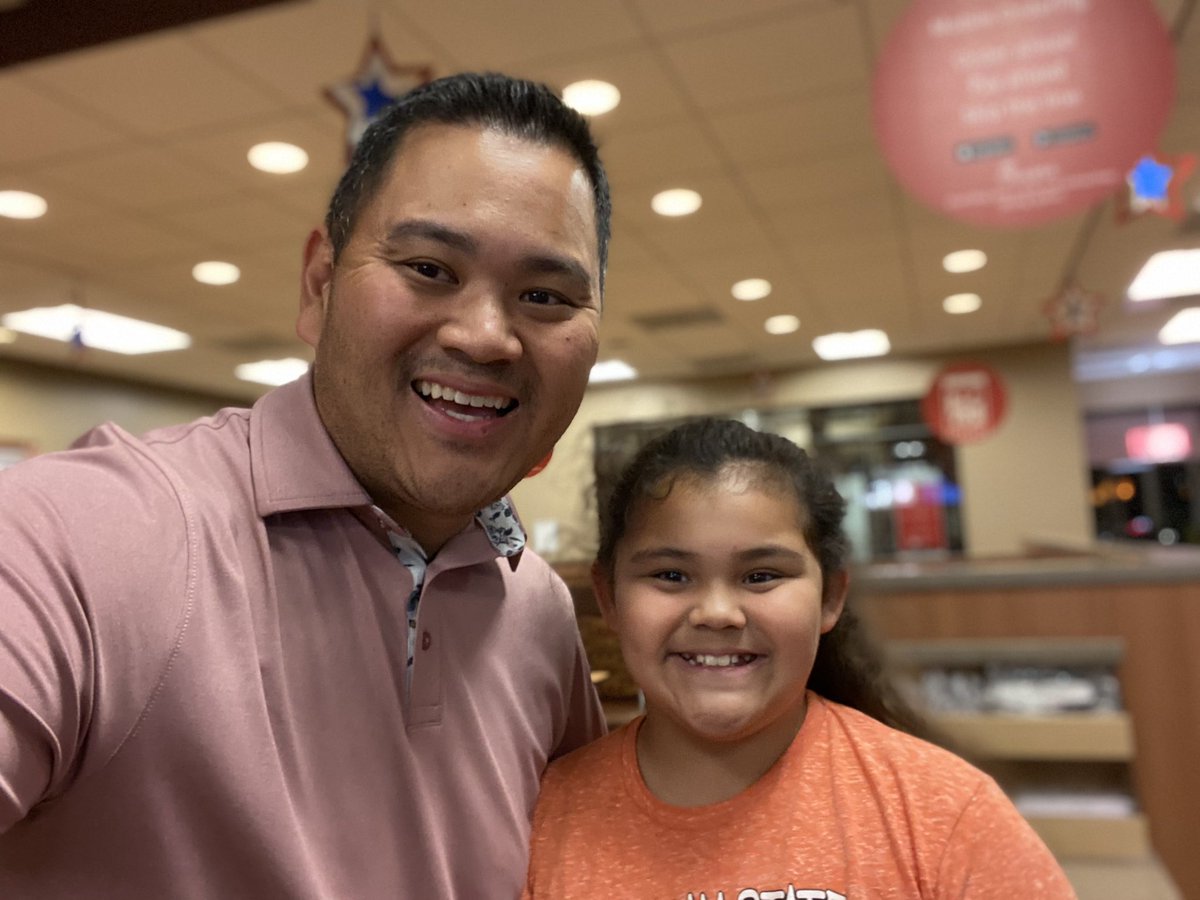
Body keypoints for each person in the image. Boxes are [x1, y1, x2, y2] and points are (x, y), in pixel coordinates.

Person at [0, 72, 611, 897]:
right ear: (319, 285)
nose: (484, 336)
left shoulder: (539, 609)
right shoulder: (78, 535)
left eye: (544, 295)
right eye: (429, 268)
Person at [524, 418, 1077, 899]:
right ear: (609, 598)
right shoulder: (543, 818)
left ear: (830, 596)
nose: (718, 613)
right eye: (671, 575)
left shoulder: (946, 812)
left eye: (761, 575)